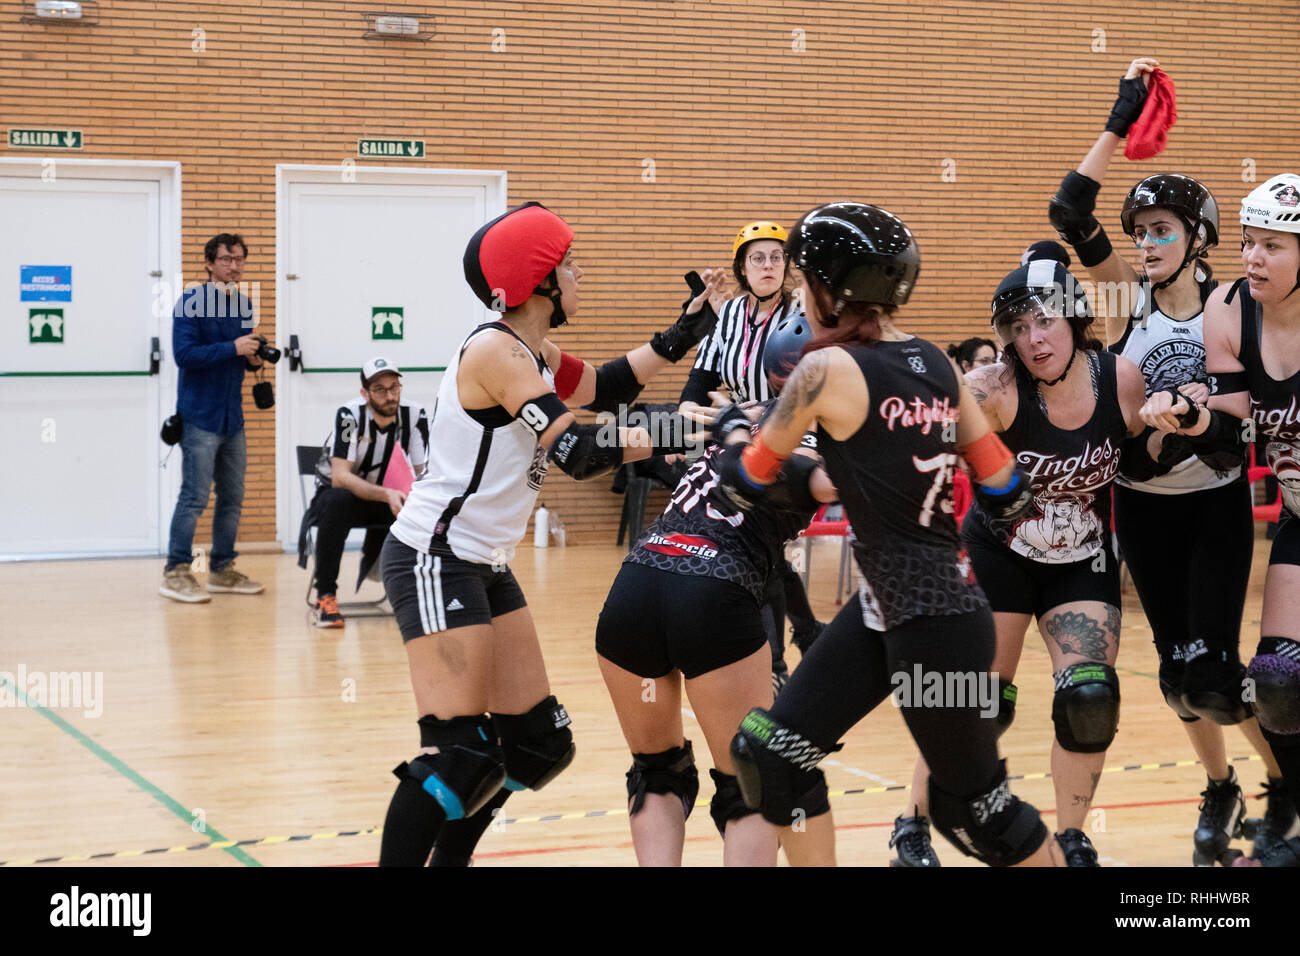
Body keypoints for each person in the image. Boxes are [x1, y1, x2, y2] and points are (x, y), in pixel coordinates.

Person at [375, 201, 724, 867]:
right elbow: (578, 451)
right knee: (456, 755)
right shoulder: (496, 351)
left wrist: (682, 335)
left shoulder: (532, 351)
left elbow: (605, 387)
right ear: (539, 279)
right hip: (435, 556)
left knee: (536, 745)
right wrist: (692, 427)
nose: (580, 273)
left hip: (483, 563)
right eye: (570, 264)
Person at [717, 201, 1060, 868]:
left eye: (802, 280)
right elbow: (1009, 491)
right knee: (772, 754)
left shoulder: (821, 370)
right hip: (896, 607)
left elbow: (745, 481)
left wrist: (732, 426)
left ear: (825, 289)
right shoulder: (936, 362)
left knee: (976, 812)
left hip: (932, 622)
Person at [1045, 55, 1285, 865]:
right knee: (1177, 675)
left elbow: (1235, 428)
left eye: (1161, 233)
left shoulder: (1232, 305)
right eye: (1140, 232)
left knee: (1213, 671)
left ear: (1199, 240)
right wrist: (1121, 117)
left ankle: (1282, 781)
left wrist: (1178, 419)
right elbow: (1068, 208)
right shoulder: (1122, 302)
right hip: (1141, 506)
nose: (1144, 245)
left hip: (1212, 500)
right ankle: (1219, 788)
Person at [595, 313, 837, 865]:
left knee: (657, 771)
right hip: (712, 591)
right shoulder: (832, 445)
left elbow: (640, 421)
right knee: (749, 784)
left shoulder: (740, 414)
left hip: (636, 584)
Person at [1144, 172, 1300, 866]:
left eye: (1273, 245)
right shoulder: (1230, 312)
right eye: (1248, 242)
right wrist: (1191, 412)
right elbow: (1233, 422)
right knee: (1277, 681)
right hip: (1297, 519)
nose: (1254, 258)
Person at [679, 220, 825, 689]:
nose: (768, 265)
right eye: (757, 258)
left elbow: (814, 385)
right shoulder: (728, 319)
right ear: (742, 267)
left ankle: (776, 667)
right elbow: (695, 388)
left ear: (788, 266)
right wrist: (692, 422)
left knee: (762, 543)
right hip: (739, 439)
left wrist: (745, 410)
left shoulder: (803, 314)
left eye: (777, 257)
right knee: (765, 551)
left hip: (792, 439)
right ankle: (807, 634)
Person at [160, 232, 267, 603]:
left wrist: (252, 356)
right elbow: (184, 355)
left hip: (231, 419)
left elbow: (236, 355)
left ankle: (222, 569)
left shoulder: (243, 305)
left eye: (239, 260)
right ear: (209, 264)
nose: (234, 267)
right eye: (226, 259)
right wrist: (232, 347)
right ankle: (175, 570)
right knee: (194, 497)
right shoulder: (190, 303)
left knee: (233, 496)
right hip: (199, 418)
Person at [300, 357, 429, 628]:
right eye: (380, 389)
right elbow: (340, 476)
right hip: (339, 497)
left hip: (387, 497)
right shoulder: (349, 415)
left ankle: (414, 594)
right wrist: (386, 495)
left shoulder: (415, 414)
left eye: (394, 387)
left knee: (423, 503)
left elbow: (421, 474)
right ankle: (326, 597)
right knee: (338, 500)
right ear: (365, 394)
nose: (390, 395)